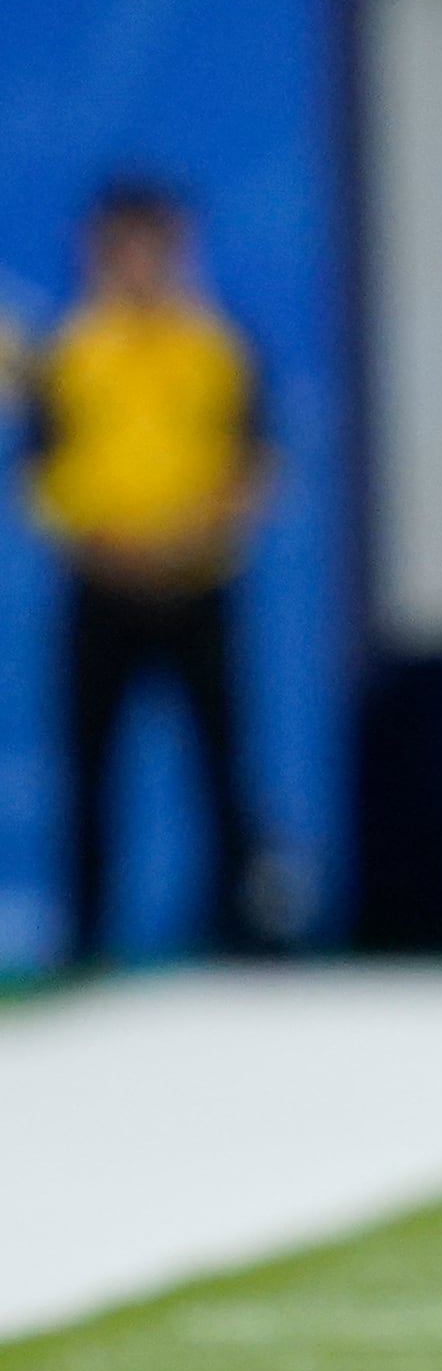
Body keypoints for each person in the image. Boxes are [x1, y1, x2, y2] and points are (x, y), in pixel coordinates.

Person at [22, 180, 269, 963]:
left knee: (221, 764)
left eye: (149, 245)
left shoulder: (215, 348)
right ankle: (84, 942)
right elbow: (40, 469)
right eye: (117, 246)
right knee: (90, 769)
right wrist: (102, 543)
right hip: (100, 587)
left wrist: (192, 535)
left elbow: (255, 459)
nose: (134, 262)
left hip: (198, 585)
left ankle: (240, 932)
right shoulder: (71, 352)